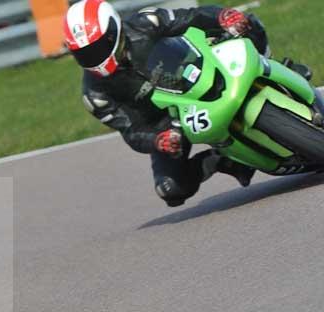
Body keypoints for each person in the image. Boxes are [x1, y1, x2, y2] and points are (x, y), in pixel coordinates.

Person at [62, 0, 313, 207]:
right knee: (170, 189)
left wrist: (222, 17)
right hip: (168, 121)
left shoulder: (145, 23)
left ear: (113, 31)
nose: (93, 58)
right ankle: (224, 159)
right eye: (84, 54)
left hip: (193, 65)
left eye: (97, 48)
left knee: (245, 23)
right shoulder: (96, 96)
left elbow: (192, 17)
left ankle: (278, 66)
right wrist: (158, 140)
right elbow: (132, 131)